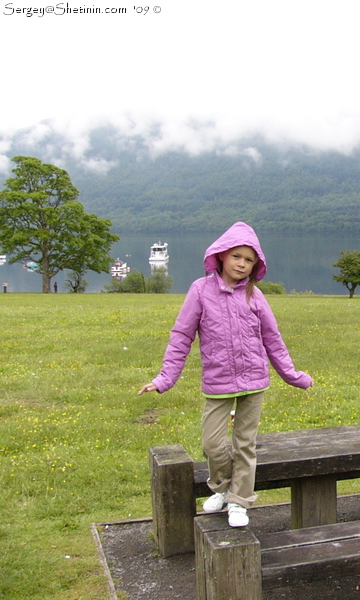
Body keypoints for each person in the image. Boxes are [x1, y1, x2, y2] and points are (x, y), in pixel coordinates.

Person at [138, 222, 313, 527]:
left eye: (249, 260)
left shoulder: (255, 296)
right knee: (213, 444)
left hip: (254, 382)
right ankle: (223, 487)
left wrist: (292, 375)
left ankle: (239, 501)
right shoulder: (200, 291)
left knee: (245, 444)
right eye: (236, 256)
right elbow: (181, 336)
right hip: (218, 384)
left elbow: (273, 339)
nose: (241, 264)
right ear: (221, 256)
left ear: (255, 265)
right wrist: (164, 379)